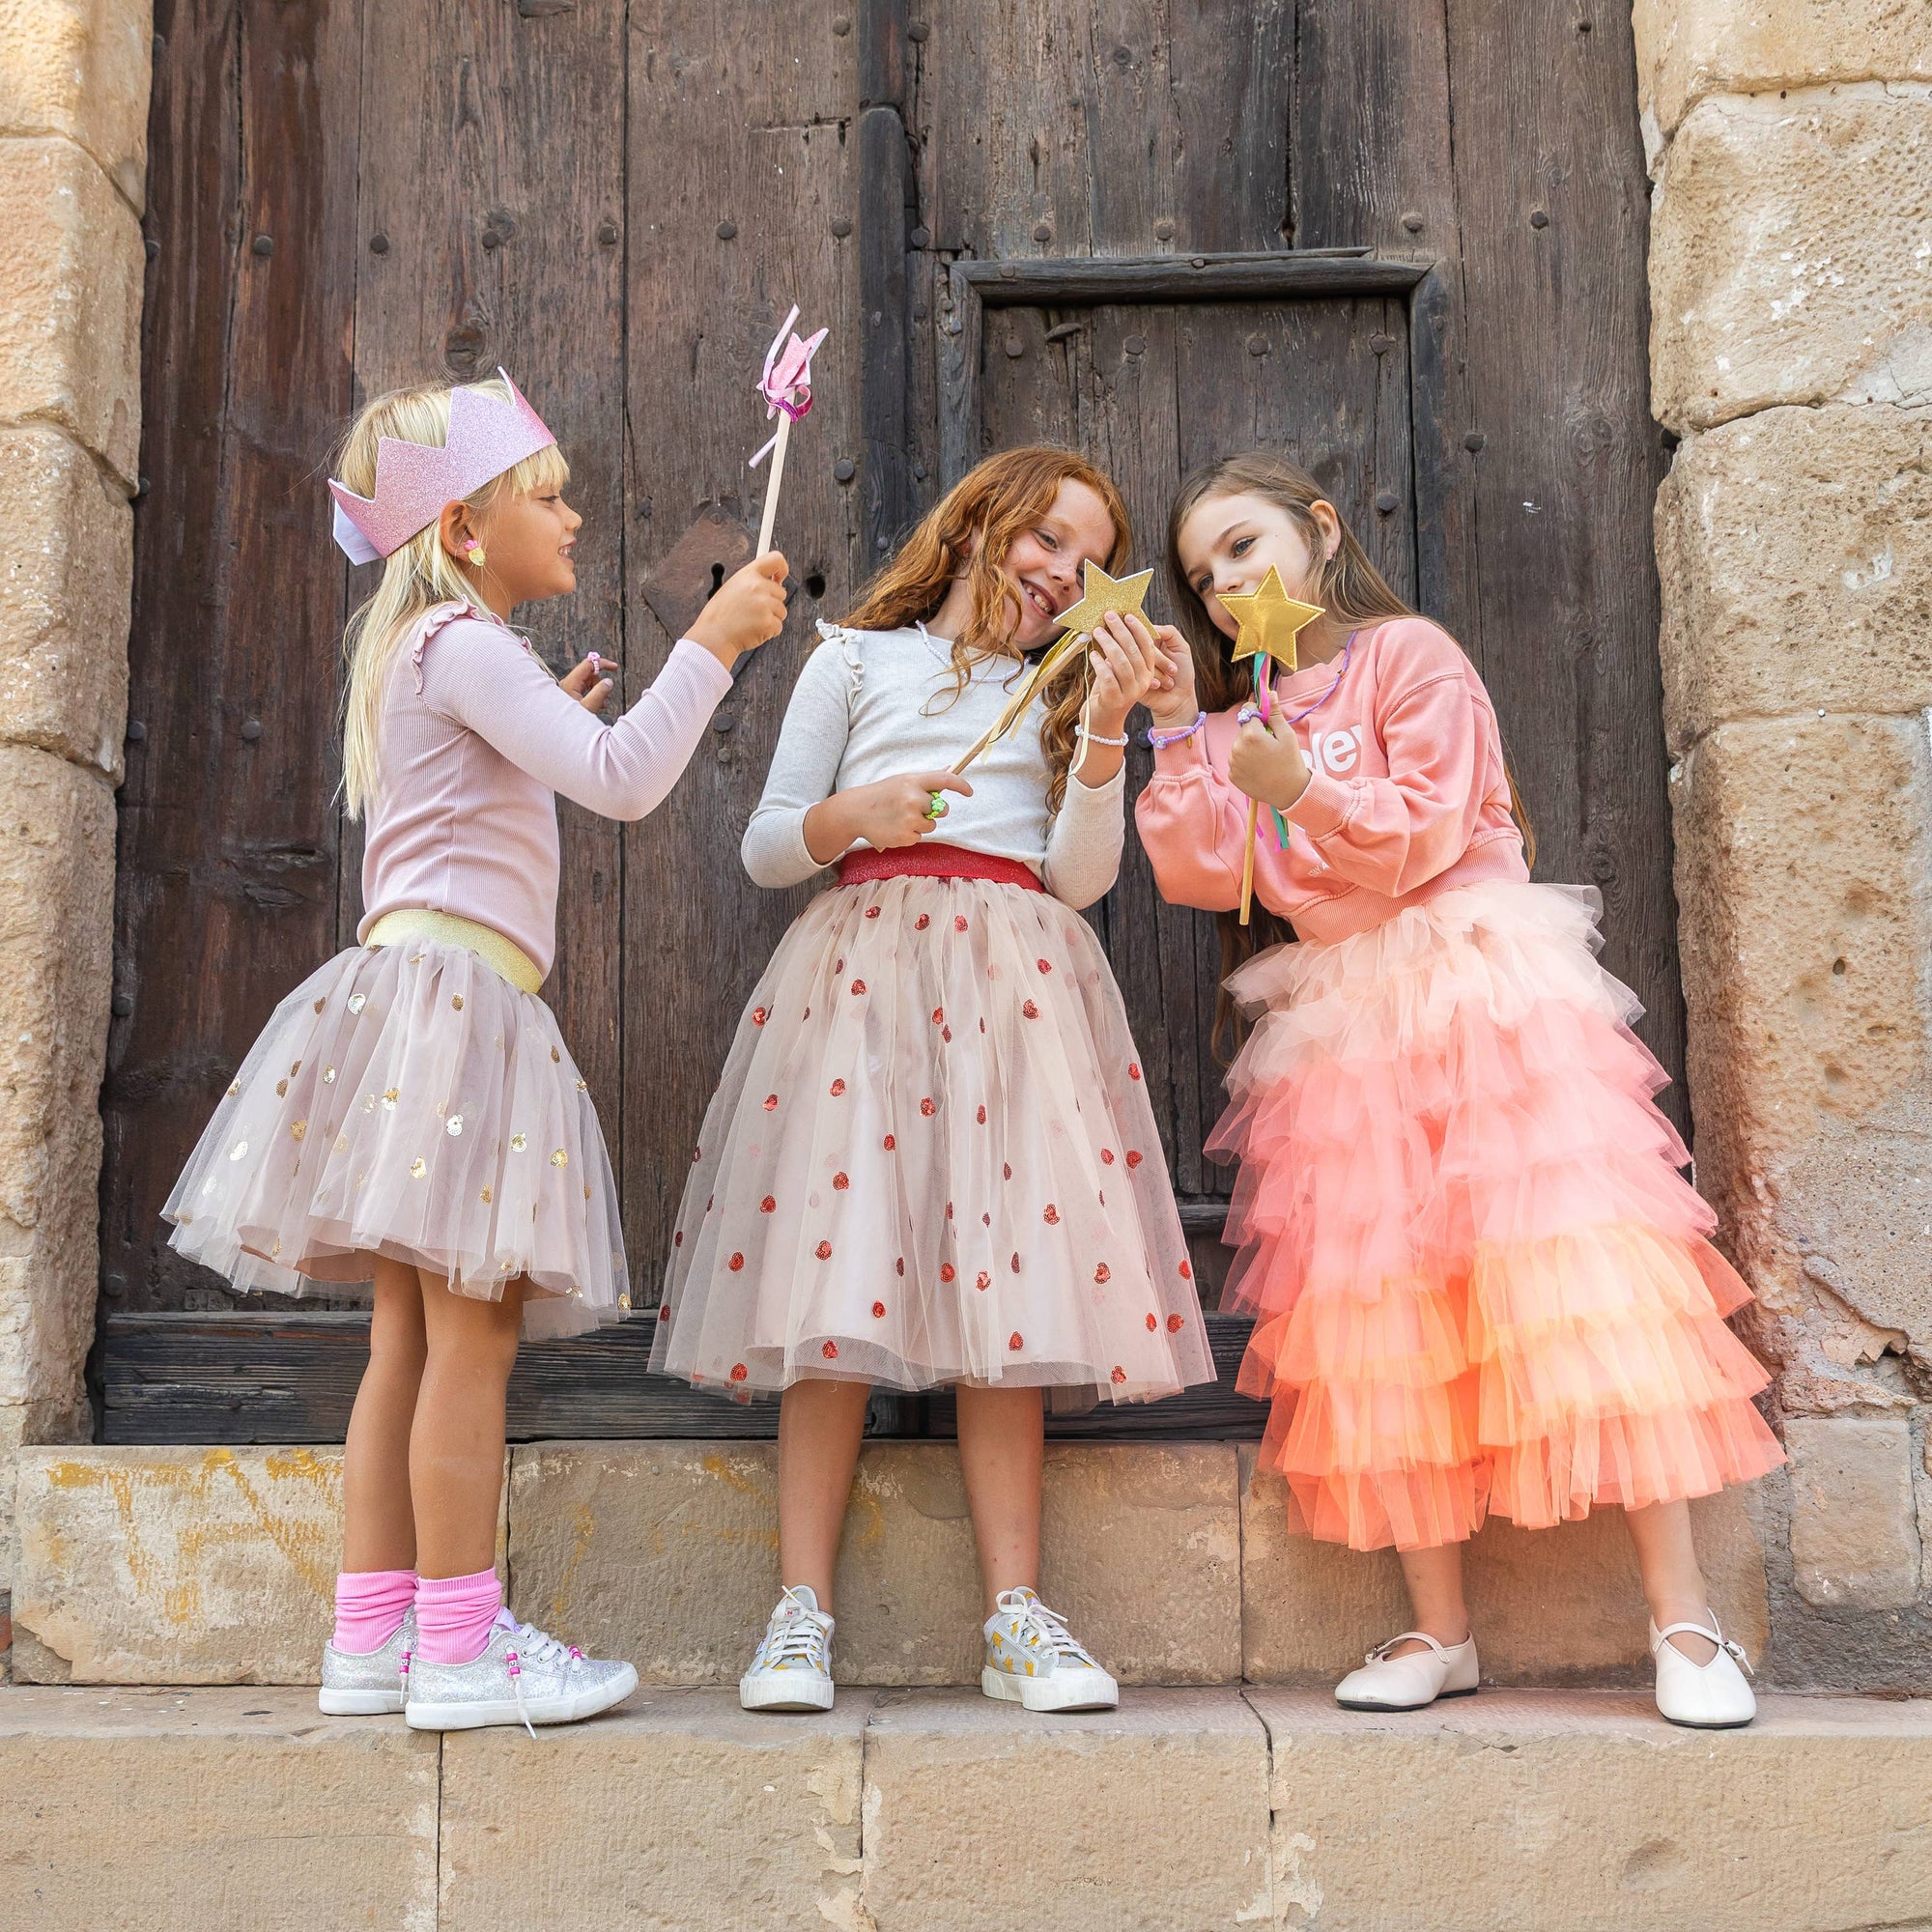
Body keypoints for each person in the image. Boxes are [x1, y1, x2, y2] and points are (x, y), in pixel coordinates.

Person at [165, 371, 787, 1731]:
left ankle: (372, 1634)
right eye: (547, 496)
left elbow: (491, 798)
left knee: (407, 1340)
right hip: (457, 1013)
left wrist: (532, 720)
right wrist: (718, 646)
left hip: (406, 1003)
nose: (574, 516)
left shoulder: (432, 655)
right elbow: (624, 777)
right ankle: (461, 1647)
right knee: (472, 1345)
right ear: (461, 530)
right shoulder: (469, 649)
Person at [1134, 451, 1783, 1728]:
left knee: (1579, 1285)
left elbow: (1432, 827)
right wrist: (1171, 730)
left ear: (1319, 532)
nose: (1223, 589)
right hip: (1339, 1027)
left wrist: (1301, 786)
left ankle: (1686, 1617)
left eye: (1246, 549)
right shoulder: (1227, 724)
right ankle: (1441, 1625)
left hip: (1475, 992)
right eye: (1205, 575)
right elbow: (1200, 869)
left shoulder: (1407, 656)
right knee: (1383, 1317)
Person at [651, 447, 1214, 1716]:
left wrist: (1111, 729)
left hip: (1014, 1000)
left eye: (1087, 560)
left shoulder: (1057, 691)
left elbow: (1079, 879)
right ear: (976, 527)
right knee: (830, 1293)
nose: (1065, 574)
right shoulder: (852, 659)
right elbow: (763, 850)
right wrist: (863, 813)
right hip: (863, 988)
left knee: (1008, 1309)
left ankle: (1015, 1615)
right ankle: (800, 1613)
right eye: (1049, 541)